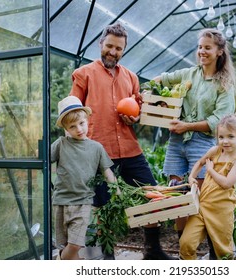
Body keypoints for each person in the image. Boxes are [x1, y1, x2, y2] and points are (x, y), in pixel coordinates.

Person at [69, 22, 173, 260]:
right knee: (103, 207)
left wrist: (134, 117)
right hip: (98, 152)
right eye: (109, 46)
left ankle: (153, 251)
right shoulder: (84, 74)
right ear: (100, 44)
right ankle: (107, 256)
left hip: (129, 148)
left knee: (149, 194)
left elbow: (137, 112)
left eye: (118, 48)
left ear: (123, 50)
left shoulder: (131, 77)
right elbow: (73, 114)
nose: (112, 52)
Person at [153, 28, 236, 258]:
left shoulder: (224, 84)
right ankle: (185, 254)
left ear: (219, 52)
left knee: (203, 198)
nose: (202, 51)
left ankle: (213, 254)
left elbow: (219, 121)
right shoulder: (189, 74)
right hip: (176, 142)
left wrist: (187, 125)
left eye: (207, 48)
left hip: (203, 142)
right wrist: (152, 95)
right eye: (200, 47)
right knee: (178, 196)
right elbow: (161, 79)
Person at [51, 96, 116, 260]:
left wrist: (118, 192)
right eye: (72, 126)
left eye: (81, 123)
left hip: (83, 201)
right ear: (66, 128)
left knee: (76, 244)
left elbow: (107, 171)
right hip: (61, 200)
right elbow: (44, 160)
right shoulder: (61, 144)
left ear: (87, 121)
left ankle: (59, 259)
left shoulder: (96, 148)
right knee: (66, 244)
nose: (79, 129)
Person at [179, 113, 236, 260]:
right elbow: (199, 162)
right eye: (221, 137)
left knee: (223, 251)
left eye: (230, 136)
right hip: (203, 206)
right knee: (186, 243)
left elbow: (226, 184)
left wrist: (210, 170)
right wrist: (192, 177)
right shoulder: (214, 151)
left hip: (221, 210)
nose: (225, 141)